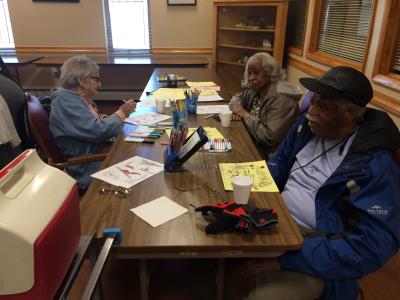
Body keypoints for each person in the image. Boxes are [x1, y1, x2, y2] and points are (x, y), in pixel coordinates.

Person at [229, 66, 400, 300]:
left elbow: (370, 247)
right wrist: (247, 183)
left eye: (323, 106)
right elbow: (278, 164)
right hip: (275, 222)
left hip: (317, 249)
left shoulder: (375, 164)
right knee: (217, 241)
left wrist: (289, 258)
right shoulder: (305, 128)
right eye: (314, 101)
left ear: (350, 113)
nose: (311, 111)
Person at [49, 55, 136, 189]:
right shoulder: (66, 102)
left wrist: (112, 118)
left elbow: (91, 124)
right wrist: (121, 113)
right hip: (88, 166)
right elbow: (97, 130)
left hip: (98, 155)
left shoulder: (79, 100)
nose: (100, 84)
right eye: (96, 79)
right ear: (82, 80)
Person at [228, 52, 302, 159]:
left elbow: (268, 137)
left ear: (270, 73)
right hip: (254, 141)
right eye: (249, 73)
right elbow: (237, 98)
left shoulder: (283, 99)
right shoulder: (258, 87)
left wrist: (244, 114)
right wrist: (239, 110)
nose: (251, 78)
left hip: (271, 155)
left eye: (256, 73)